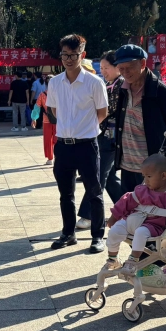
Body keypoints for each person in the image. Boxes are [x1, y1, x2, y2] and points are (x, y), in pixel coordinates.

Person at [47, 34, 109, 253]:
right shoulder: (55, 82)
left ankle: (97, 236)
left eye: (73, 55)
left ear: (82, 55)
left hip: (86, 145)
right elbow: (54, 111)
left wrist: (84, 128)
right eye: (65, 55)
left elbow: (102, 113)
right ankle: (68, 233)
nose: (68, 59)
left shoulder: (94, 83)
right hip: (63, 145)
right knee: (66, 194)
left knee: (94, 192)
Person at [113, 44, 166, 194]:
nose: (125, 73)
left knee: (151, 208)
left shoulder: (165, 95)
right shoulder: (123, 90)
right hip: (127, 166)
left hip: (153, 171)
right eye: (121, 68)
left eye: (129, 67)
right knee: (129, 206)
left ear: (143, 63)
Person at [104, 153, 166, 278]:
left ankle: (133, 261)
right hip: (133, 220)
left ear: (163, 176)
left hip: (153, 226)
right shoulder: (142, 190)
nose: (146, 180)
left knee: (141, 233)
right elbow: (125, 201)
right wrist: (113, 218)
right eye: (144, 176)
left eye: (149, 176)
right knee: (115, 230)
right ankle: (113, 259)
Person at [78, 52, 125, 228]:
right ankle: (127, 209)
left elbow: (108, 109)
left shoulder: (121, 85)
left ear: (117, 67)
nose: (103, 71)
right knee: (109, 177)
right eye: (102, 68)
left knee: (97, 175)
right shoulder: (108, 84)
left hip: (112, 138)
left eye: (107, 68)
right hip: (103, 135)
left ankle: (88, 215)